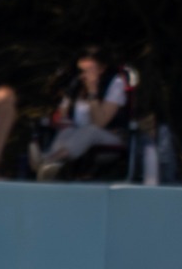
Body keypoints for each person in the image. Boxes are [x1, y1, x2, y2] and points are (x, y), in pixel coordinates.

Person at [28, 47, 130, 181]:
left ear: (101, 69)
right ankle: (50, 166)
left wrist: (93, 92)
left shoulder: (114, 83)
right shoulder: (76, 84)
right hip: (76, 136)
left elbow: (100, 123)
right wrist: (62, 120)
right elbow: (61, 114)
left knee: (90, 130)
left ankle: (47, 160)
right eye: (82, 70)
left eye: (90, 70)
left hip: (110, 135)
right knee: (67, 130)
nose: (84, 75)